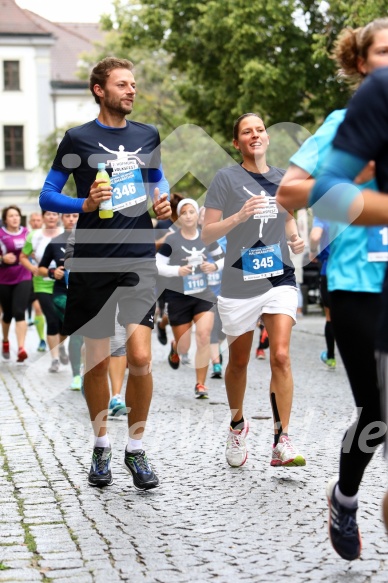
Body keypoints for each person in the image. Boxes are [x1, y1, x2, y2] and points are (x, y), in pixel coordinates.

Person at [276, 19, 388, 561]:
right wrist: (358, 179)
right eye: (385, 52)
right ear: (362, 62)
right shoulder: (344, 123)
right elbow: (289, 193)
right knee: (378, 410)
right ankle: (345, 497)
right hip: (357, 284)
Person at [39, 57, 171, 490]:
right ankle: (101, 445)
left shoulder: (146, 134)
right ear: (100, 89)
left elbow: (158, 179)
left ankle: (136, 450)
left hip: (138, 260)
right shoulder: (77, 138)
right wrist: (86, 206)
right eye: (122, 84)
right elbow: (48, 195)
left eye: (133, 84)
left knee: (140, 358)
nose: (131, 90)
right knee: (96, 361)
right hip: (92, 261)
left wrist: (164, 201)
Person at [202, 113, 306, 468]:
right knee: (239, 362)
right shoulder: (225, 179)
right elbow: (207, 233)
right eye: (247, 131)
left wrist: (293, 236)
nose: (255, 135)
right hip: (238, 284)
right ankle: (236, 424)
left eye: (260, 129)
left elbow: (287, 214)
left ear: (267, 137)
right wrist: (239, 217)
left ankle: (282, 440)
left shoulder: (282, 179)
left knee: (279, 355)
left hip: (278, 278)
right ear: (237, 143)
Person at [156, 198, 224, 398]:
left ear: (197, 215)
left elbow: (222, 259)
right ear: (179, 217)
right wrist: (178, 271)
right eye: (184, 212)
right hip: (178, 296)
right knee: (184, 345)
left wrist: (213, 266)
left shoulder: (206, 237)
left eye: (191, 212)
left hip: (203, 295)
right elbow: (157, 265)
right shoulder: (171, 240)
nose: (188, 216)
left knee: (204, 336)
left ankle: (200, 384)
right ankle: (175, 348)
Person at [38, 213, 83, 390]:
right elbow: (41, 267)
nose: (71, 219)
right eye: (67, 216)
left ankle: (83, 366)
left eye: (74, 216)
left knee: (79, 333)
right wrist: (52, 273)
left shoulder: (88, 238)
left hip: (84, 293)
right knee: (79, 330)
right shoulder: (55, 242)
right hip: (61, 294)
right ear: (61, 219)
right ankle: (77, 376)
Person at [20, 210, 65, 372]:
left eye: (55, 214)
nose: (52, 217)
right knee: (51, 319)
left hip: (62, 284)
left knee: (63, 322)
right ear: (43, 217)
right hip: (42, 284)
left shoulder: (64, 234)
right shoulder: (34, 235)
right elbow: (23, 256)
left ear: (58, 217)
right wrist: (33, 268)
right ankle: (54, 359)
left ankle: (59, 347)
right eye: (48, 214)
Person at [0, 205, 32, 362]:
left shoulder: (27, 233)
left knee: (19, 311)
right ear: (5, 219)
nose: (14, 218)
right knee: (7, 313)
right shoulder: (0, 234)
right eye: (11, 216)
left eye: (17, 215)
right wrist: (2, 259)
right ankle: (5, 340)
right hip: (3, 278)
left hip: (23, 275)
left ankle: (21, 348)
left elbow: (35, 251)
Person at [154, 192, 184, 347]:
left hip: (184, 273)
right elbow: (152, 246)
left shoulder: (188, 224)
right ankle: (162, 325)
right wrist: (164, 240)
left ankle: (178, 343)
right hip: (164, 272)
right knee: (170, 311)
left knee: (184, 310)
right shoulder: (162, 224)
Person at [308, 215, 336, 369]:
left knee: (329, 315)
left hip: (330, 271)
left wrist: (313, 251)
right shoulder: (353, 208)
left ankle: (331, 357)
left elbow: (315, 235)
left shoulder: (324, 213)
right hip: (353, 270)